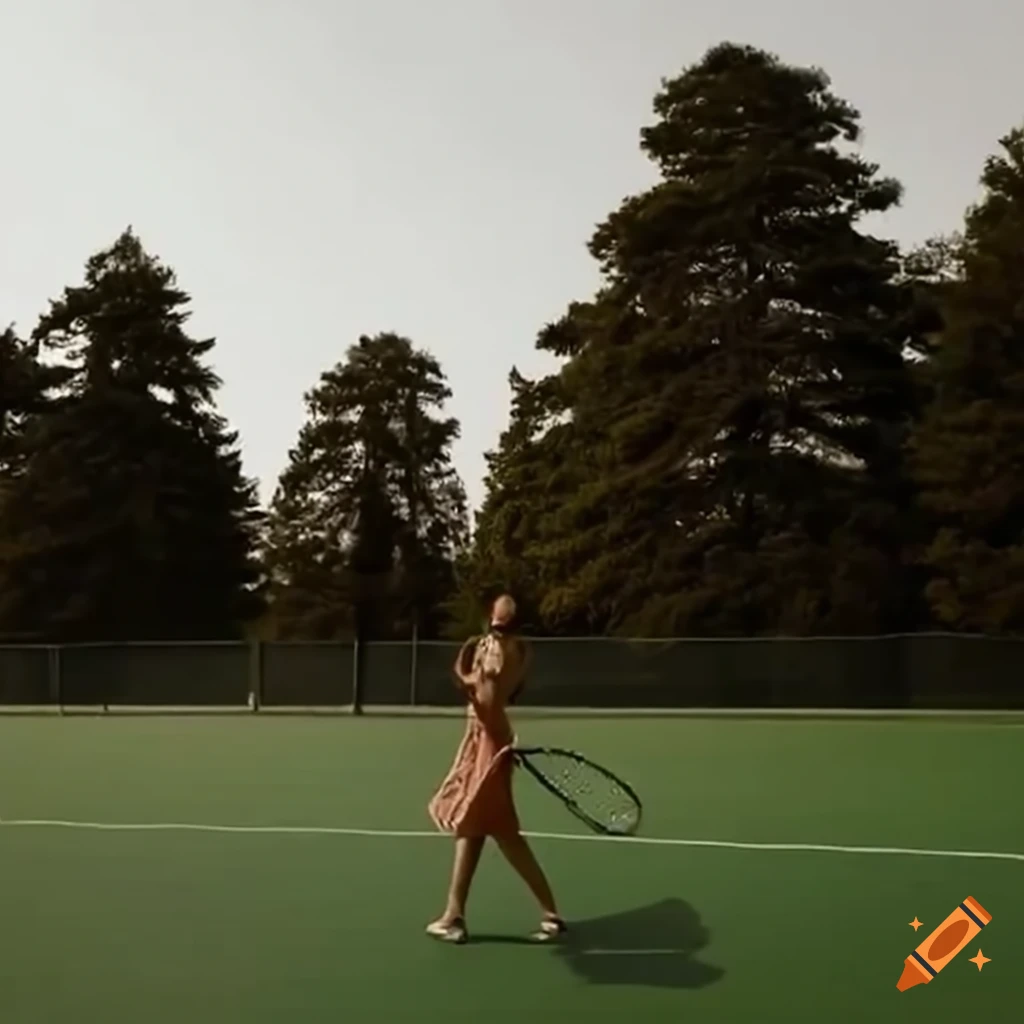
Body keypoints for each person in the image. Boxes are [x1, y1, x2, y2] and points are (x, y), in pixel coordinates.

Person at [425, 594, 565, 945]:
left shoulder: (495, 652)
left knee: (496, 832)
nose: (495, 630)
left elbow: (487, 702)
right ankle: (455, 915)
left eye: (499, 624)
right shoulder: (519, 649)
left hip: (488, 739)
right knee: (476, 830)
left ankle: (544, 914)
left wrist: (465, 680)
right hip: (492, 737)